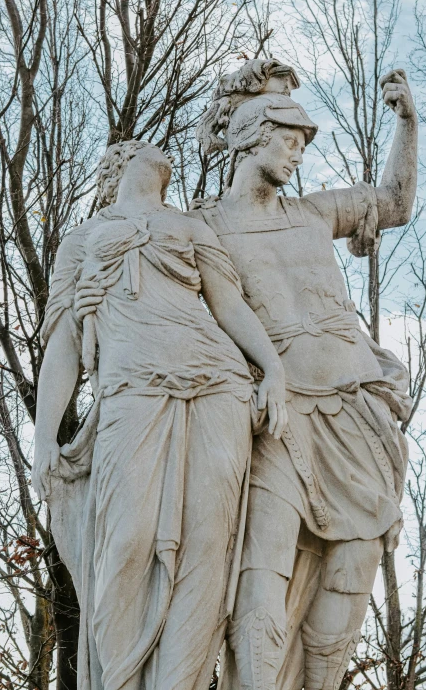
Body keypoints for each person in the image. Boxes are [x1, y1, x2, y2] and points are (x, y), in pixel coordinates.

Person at [191, 59, 417, 690]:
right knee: (260, 570)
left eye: (300, 144)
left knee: (354, 567)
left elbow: (396, 203)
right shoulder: (203, 225)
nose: (296, 156)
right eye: (287, 141)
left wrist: (408, 122)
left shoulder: (314, 214)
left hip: (356, 414)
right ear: (250, 136)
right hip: (280, 416)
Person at [31, 139, 287, 690]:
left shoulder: (192, 229)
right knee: (125, 542)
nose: (161, 152)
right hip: (133, 388)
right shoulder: (81, 241)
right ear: (120, 163)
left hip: (218, 385)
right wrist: (45, 434)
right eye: (146, 147)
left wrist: (272, 369)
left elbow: (228, 304)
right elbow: (63, 346)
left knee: (206, 545)